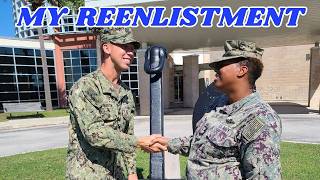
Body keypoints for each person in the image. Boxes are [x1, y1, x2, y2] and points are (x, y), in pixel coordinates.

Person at [151, 40, 282, 179]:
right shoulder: (221, 105)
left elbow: (262, 175)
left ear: (242, 70)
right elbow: (204, 144)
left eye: (222, 64)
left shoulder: (259, 118)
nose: (216, 69)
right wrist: (169, 143)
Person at [66, 27, 165, 180]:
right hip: (87, 174)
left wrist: (132, 173)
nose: (130, 52)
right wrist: (139, 142)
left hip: (115, 174)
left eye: (132, 49)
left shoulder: (126, 93)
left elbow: (127, 134)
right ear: (107, 47)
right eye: (124, 46)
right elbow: (94, 133)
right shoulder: (85, 87)